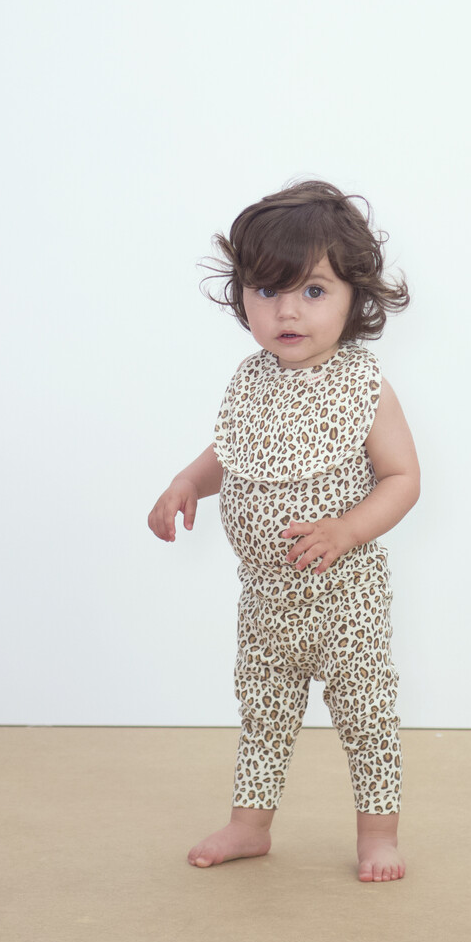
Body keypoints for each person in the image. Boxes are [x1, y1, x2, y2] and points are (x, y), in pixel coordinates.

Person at [147, 179, 420, 882]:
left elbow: (401, 479)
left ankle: (378, 835)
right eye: (266, 291)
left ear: (354, 296)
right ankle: (250, 826)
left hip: (343, 598)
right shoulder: (251, 381)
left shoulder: (363, 387)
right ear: (241, 296)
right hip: (267, 601)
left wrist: (347, 530)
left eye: (313, 291)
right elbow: (229, 453)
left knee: (366, 715)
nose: (286, 311)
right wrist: (186, 482)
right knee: (263, 713)